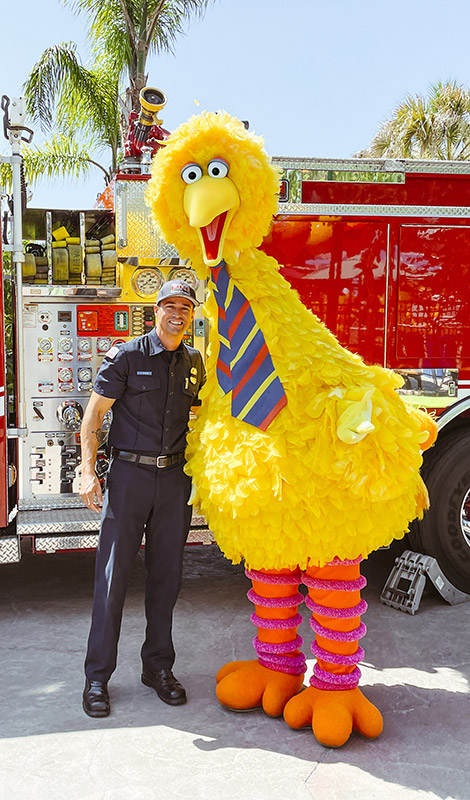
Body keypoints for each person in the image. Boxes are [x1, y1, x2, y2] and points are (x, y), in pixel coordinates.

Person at [80, 279, 205, 718]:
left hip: (173, 482)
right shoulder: (128, 355)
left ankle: (157, 668)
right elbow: (94, 414)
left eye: (185, 307)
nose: (177, 313)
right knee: (112, 580)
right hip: (129, 477)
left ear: (192, 316)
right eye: (169, 305)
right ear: (156, 312)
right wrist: (86, 471)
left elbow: (201, 419)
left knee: (166, 580)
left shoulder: (194, 362)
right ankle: (97, 677)